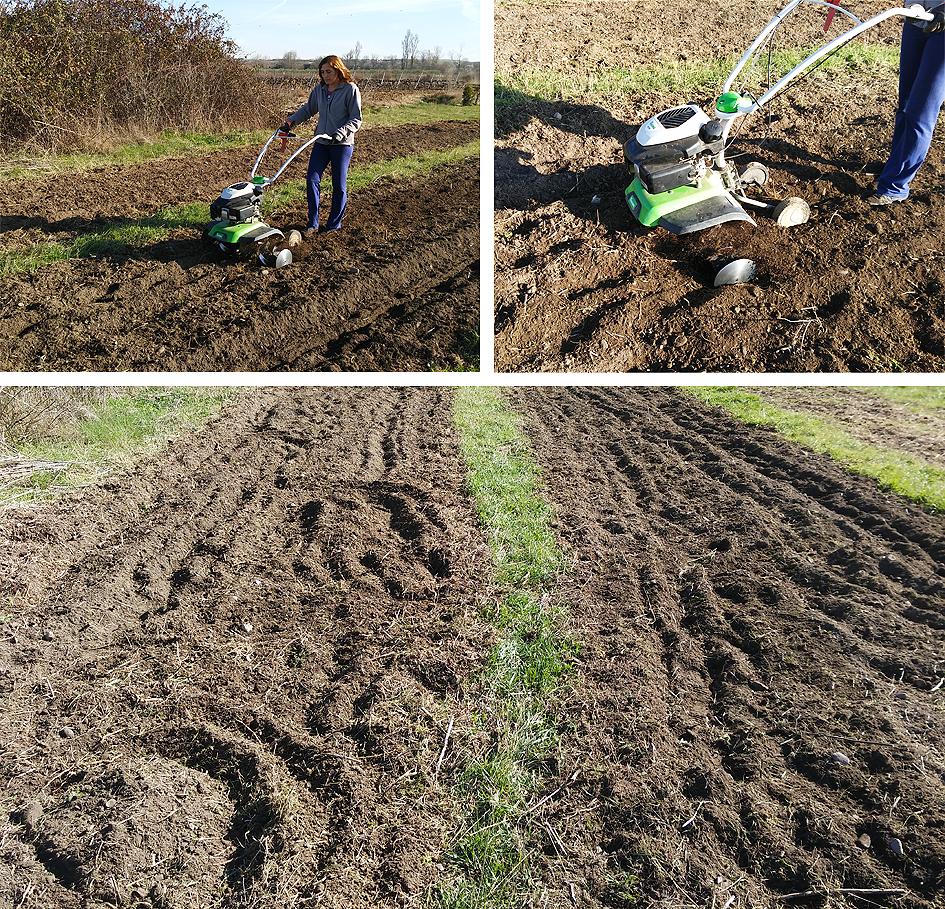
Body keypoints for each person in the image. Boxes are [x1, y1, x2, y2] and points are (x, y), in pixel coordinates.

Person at [868, 2, 945, 205]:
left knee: (921, 111)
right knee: (906, 103)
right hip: (916, 18)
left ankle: (894, 187)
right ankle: (895, 166)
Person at [281, 55, 363, 234]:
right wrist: (291, 121)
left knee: (338, 185)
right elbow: (308, 109)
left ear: (338, 70)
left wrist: (340, 133)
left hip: (342, 145)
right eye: (322, 72)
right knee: (312, 179)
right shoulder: (320, 90)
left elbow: (356, 119)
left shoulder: (350, 89)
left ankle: (333, 225)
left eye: (329, 72)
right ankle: (313, 223)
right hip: (321, 142)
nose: (325, 75)